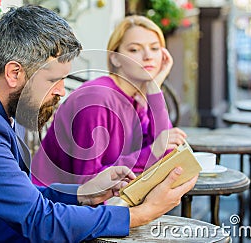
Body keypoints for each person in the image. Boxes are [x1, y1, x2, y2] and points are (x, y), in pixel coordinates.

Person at [0, 6, 197, 242]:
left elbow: (23, 195)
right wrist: (140, 214)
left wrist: (84, 194)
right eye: (54, 79)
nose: (62, 91)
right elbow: (39, 221)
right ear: (14, 73)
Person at [31, 15, 187, 186]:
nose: (148, 56)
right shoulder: (96, 99)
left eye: (155, 48)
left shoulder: (137, 99)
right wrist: (152, 152)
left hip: (111, 196)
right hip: (54, 202)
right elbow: (87, 180)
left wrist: (154, 89)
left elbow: (166, 153)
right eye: (134, 49)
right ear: (115, 58)